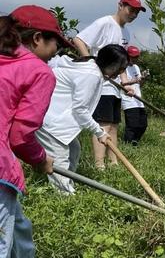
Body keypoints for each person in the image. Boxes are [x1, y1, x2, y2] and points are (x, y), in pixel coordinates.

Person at [0, 5, 73, 258]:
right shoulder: (38, 71)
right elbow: (20, 136)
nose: (57, 50)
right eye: (56, 43)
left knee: (18, 224)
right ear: (38, 38)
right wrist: (41, 161)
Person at [36, 45, 129, 194]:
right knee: (60, 159)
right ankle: (65, 195)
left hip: (55, 115)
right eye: (120, 69)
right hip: (50, 120)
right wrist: (99, 133)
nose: (119, 73)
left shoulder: (93, 68)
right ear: (112, 65)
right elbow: (80, 110)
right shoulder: (91, 75)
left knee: (74, 148)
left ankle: (67, 183)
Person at [71, 0, 145, 169]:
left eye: (136, 12)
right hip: (101, 84)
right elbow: (78, 40)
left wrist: (126, 84)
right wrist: (90, 63)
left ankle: (113, 163)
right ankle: (99, 165)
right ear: (120, 5)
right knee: (102, 124)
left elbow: (122, 63)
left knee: (113, 125)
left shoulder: (125, 31)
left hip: (114, 86)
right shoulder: (104, 23)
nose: (133, 14)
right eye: (130, 9)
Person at [121, 46, 148, 146]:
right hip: (128, 99)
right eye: (133, 57)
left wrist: (143, 79)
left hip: (138, 100)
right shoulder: (122, 67)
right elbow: (121, 83)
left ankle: (135, 142)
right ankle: (128, 144)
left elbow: (140, 84)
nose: (135, 59)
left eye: (136, 57)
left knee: (143, 124)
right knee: (132, 125)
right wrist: (136, 80)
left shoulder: (136, 67)